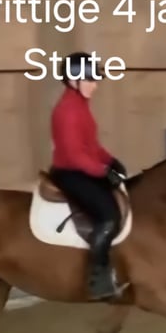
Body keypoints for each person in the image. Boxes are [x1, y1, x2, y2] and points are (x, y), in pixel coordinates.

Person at [48, 51, 128, 301]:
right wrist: (103, 171)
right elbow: (74, 155)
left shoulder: (80, 105)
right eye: (90, 79)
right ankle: (98, 279)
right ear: (74, 80)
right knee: (109, 217)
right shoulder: (67, 111)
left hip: (82, 169)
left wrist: (110, 160)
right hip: (70, 173)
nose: (95, 85)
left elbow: (91, 146)